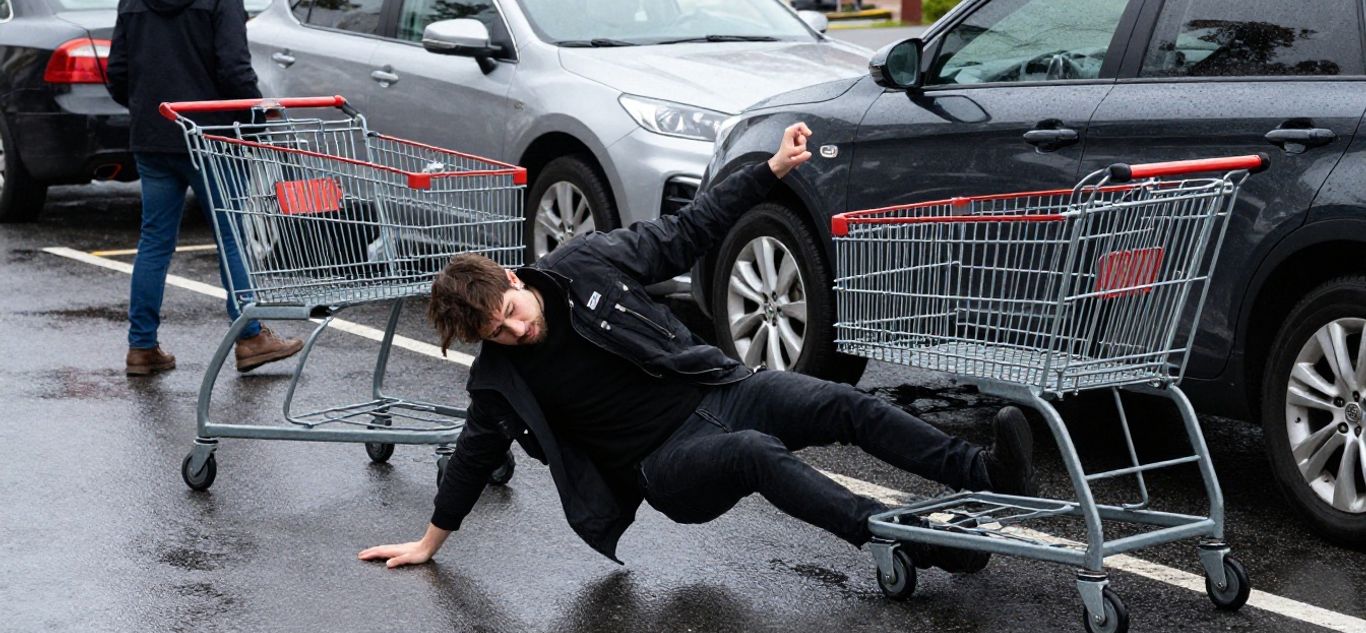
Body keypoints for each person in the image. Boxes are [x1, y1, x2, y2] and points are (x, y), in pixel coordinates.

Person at [359, 124, 1036, 571]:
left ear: (513, 278)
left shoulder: (586, 264)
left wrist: (768, 171)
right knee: (753, 454)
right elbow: (475, 456)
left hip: (723, 390)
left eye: (509, 315)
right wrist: (428, 542)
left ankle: (984, 473)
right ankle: (906, 538)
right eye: (496, 335)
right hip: (667, 465)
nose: (515, 333)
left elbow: (688, 231)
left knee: (840, 404)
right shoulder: (499, 379)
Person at [107, 0, 303, 376]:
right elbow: (234, 69)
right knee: (231, 236)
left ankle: (142, 347)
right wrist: (254, 119)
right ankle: (250, 336)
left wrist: (145, 106)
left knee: (154, 241)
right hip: (213, 136)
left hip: (155, 133)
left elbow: (117, 71)